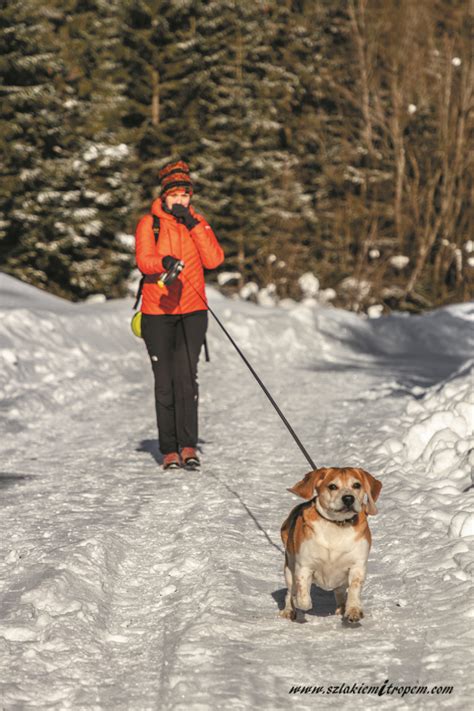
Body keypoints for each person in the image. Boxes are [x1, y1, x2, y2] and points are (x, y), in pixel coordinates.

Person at [135, 160, 224, 470]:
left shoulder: (196, 222)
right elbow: (144, 261)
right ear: (164, 196)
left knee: (187, 380)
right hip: (158, 311)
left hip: (194, 311)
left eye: (186, 195)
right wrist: (165, 261)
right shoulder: (150, 223)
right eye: (175, 195)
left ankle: (188, 446)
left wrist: (194, 225)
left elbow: (214, 259)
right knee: (165, 381)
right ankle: (169, 449)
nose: (180, 201)